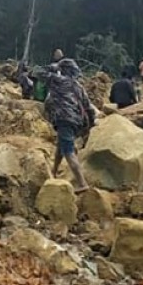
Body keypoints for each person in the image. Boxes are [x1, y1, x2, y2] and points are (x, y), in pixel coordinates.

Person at [44, 59, 95, 191]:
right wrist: (91, 125)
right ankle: (53, 172)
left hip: (64, 118)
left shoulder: (58, 81)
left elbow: (38, 72)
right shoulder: (78, 86)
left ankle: (82, 183)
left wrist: (53, 67)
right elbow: (89, 108)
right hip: (76, 121)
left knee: (68, 152)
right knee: (61, 146)